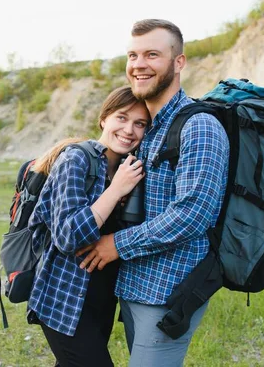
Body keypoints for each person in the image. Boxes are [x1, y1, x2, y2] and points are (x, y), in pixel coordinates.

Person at [77, 19, 230, 366]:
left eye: (152, 54)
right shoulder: (149, 126)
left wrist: (115, 244)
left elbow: (192, 214)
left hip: (168, 290)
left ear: (179, 63)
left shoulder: (199, 126)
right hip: (135, 285)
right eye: (132, 55)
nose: (138, 64)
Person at [27, 86, 150, 367]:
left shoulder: (128, 167)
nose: (129, 130)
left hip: (100, 300)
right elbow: (67, 236)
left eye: (139, 123)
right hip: (64, 298)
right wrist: (116, 190)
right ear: (104, 119)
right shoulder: (76, 159)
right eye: (122, 118)